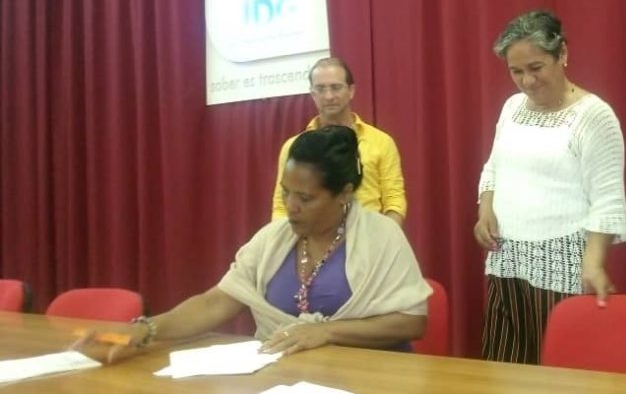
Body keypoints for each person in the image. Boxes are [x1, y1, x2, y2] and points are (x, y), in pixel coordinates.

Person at [77, 126, 431, 363]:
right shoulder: (272, 239)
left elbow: (410, 323)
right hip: (285, 381)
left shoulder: (382, 236)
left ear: (344, 194)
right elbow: (214, 303)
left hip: (372, 379)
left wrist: (326, 332)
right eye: (286, 192)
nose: (291, 206)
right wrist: (144, 330)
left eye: (306, 198)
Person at [474, 10, 626, 364]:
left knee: (561, 375)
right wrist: (485, 209)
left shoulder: (594, 116)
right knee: (503, 369)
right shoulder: (512, 107)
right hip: (507, 259)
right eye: (516, 71)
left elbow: (607, 201)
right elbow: (493, 166)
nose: (527, 81)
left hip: (563, 266)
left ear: (562, 55)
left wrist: (594, 264)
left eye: (536, 67)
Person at [271, 57, 407, 226]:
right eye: (320, 89)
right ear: (313, 94)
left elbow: (394, 201)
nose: (329, 96)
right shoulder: (293, 147)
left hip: (369, 235)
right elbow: (281, 207)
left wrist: (385, 237)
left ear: (351, 91)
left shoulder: (381, 142)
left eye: (336, 87)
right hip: (311, 237)